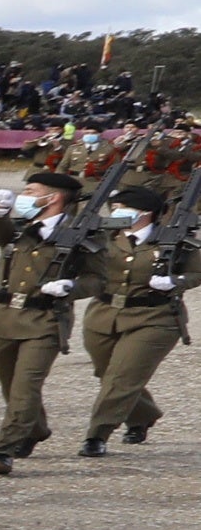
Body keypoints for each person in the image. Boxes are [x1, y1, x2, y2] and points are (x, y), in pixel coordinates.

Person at [0, 172, 92, 477]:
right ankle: (35, 427)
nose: (23, 196)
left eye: (30, 191)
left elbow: (99, 279)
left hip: (45, 319)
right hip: (3, 315)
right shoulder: (17, 229)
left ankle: (4, 449)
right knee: (10, 383)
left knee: (26, 386)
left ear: (52, 198)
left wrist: (70, 287)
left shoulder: (81, 234)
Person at [80, 183, 180, 454]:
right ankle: (142, 414)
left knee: (123, 377)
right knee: (107, 372)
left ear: (145, 212)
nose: (115, 212)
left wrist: (174, 281)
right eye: (114, 207)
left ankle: (97, 435)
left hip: (154, 317)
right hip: (104, 314)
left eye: (122, 208)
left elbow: (197, 271)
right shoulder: (104, 236)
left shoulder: (170, 239)